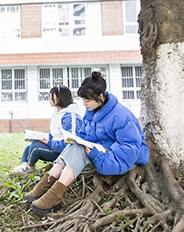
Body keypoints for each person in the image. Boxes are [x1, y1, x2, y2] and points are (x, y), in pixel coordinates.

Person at [24, 71, 150, 214]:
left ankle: (54, 196)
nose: (84, 105)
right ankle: (46, 185)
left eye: (87, 101)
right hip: (103, 151)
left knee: (79, 150)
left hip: (124, 159)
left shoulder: (121, 117)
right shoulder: (92, 111)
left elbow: (127, 153)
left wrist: (98, 156)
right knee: (75, 145)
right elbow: (85, 135)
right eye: (83, 100)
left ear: (100, 97)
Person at [13, 85, 83, 173]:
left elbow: (71, 142)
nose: (50, 99)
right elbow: (53, 134)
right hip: (55, 146)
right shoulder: (57, 113)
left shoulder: (71, 116)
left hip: (63, 152)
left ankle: (28, 167)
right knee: (29, 148)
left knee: (35, 148)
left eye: (52, 97)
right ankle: (24, 166)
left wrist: (49, 143)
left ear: (60, 98)